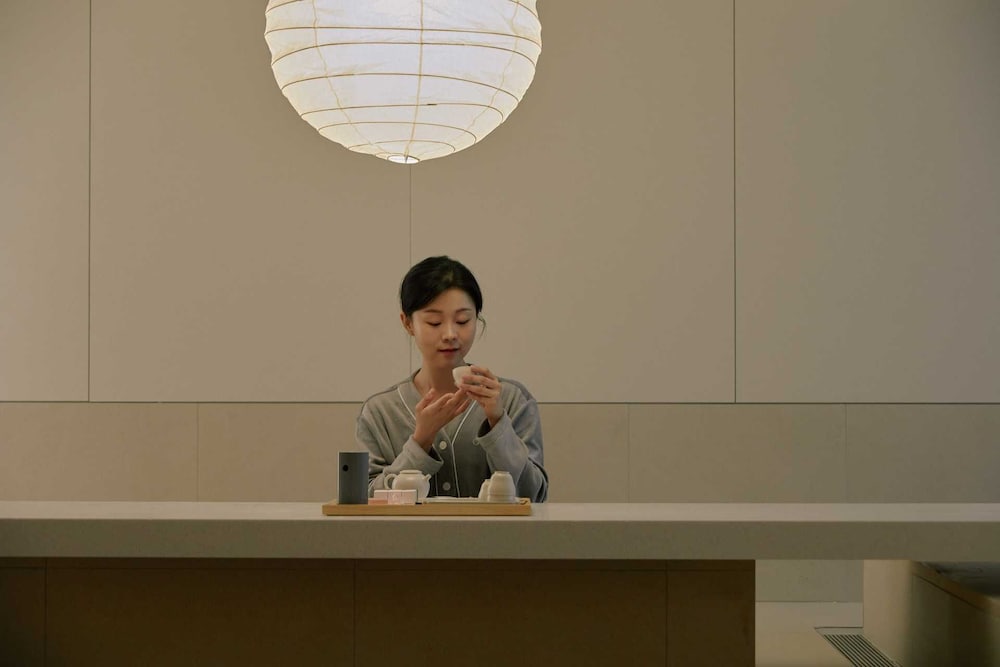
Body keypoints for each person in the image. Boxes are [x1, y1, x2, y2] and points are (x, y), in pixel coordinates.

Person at [356, 256, 548, 502]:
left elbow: (535, 497)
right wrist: (421, 441)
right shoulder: (380, 412)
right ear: (408, 323)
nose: (450, 334)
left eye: (462, 321)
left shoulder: (511, 400)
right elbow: (366, 501)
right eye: (434, 322)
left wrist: (498, 424)